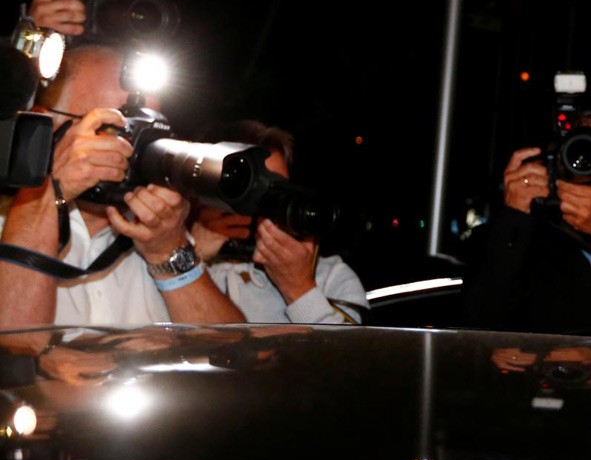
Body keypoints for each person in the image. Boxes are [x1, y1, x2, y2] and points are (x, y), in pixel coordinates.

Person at [0, 42, 245, 326]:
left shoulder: (158, 235)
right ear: (46, 126)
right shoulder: (6, 226)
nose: (135, 148)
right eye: (117, 128)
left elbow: (230, 349)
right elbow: (16, 348)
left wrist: (168, 252)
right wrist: (48, 193)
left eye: (149, 130)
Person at [461, 110, 591, 335]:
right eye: (588, 152)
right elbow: (479, 321)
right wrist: (514, 213)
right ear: (558, 163)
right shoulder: (519, 240)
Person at [189, 119, 370, 324]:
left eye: (278, 186)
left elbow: (351, 346)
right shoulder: (168, 253)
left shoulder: (329, 275)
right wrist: (187, 256)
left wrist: (299, 289)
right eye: (251, 188)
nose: (267, 200)